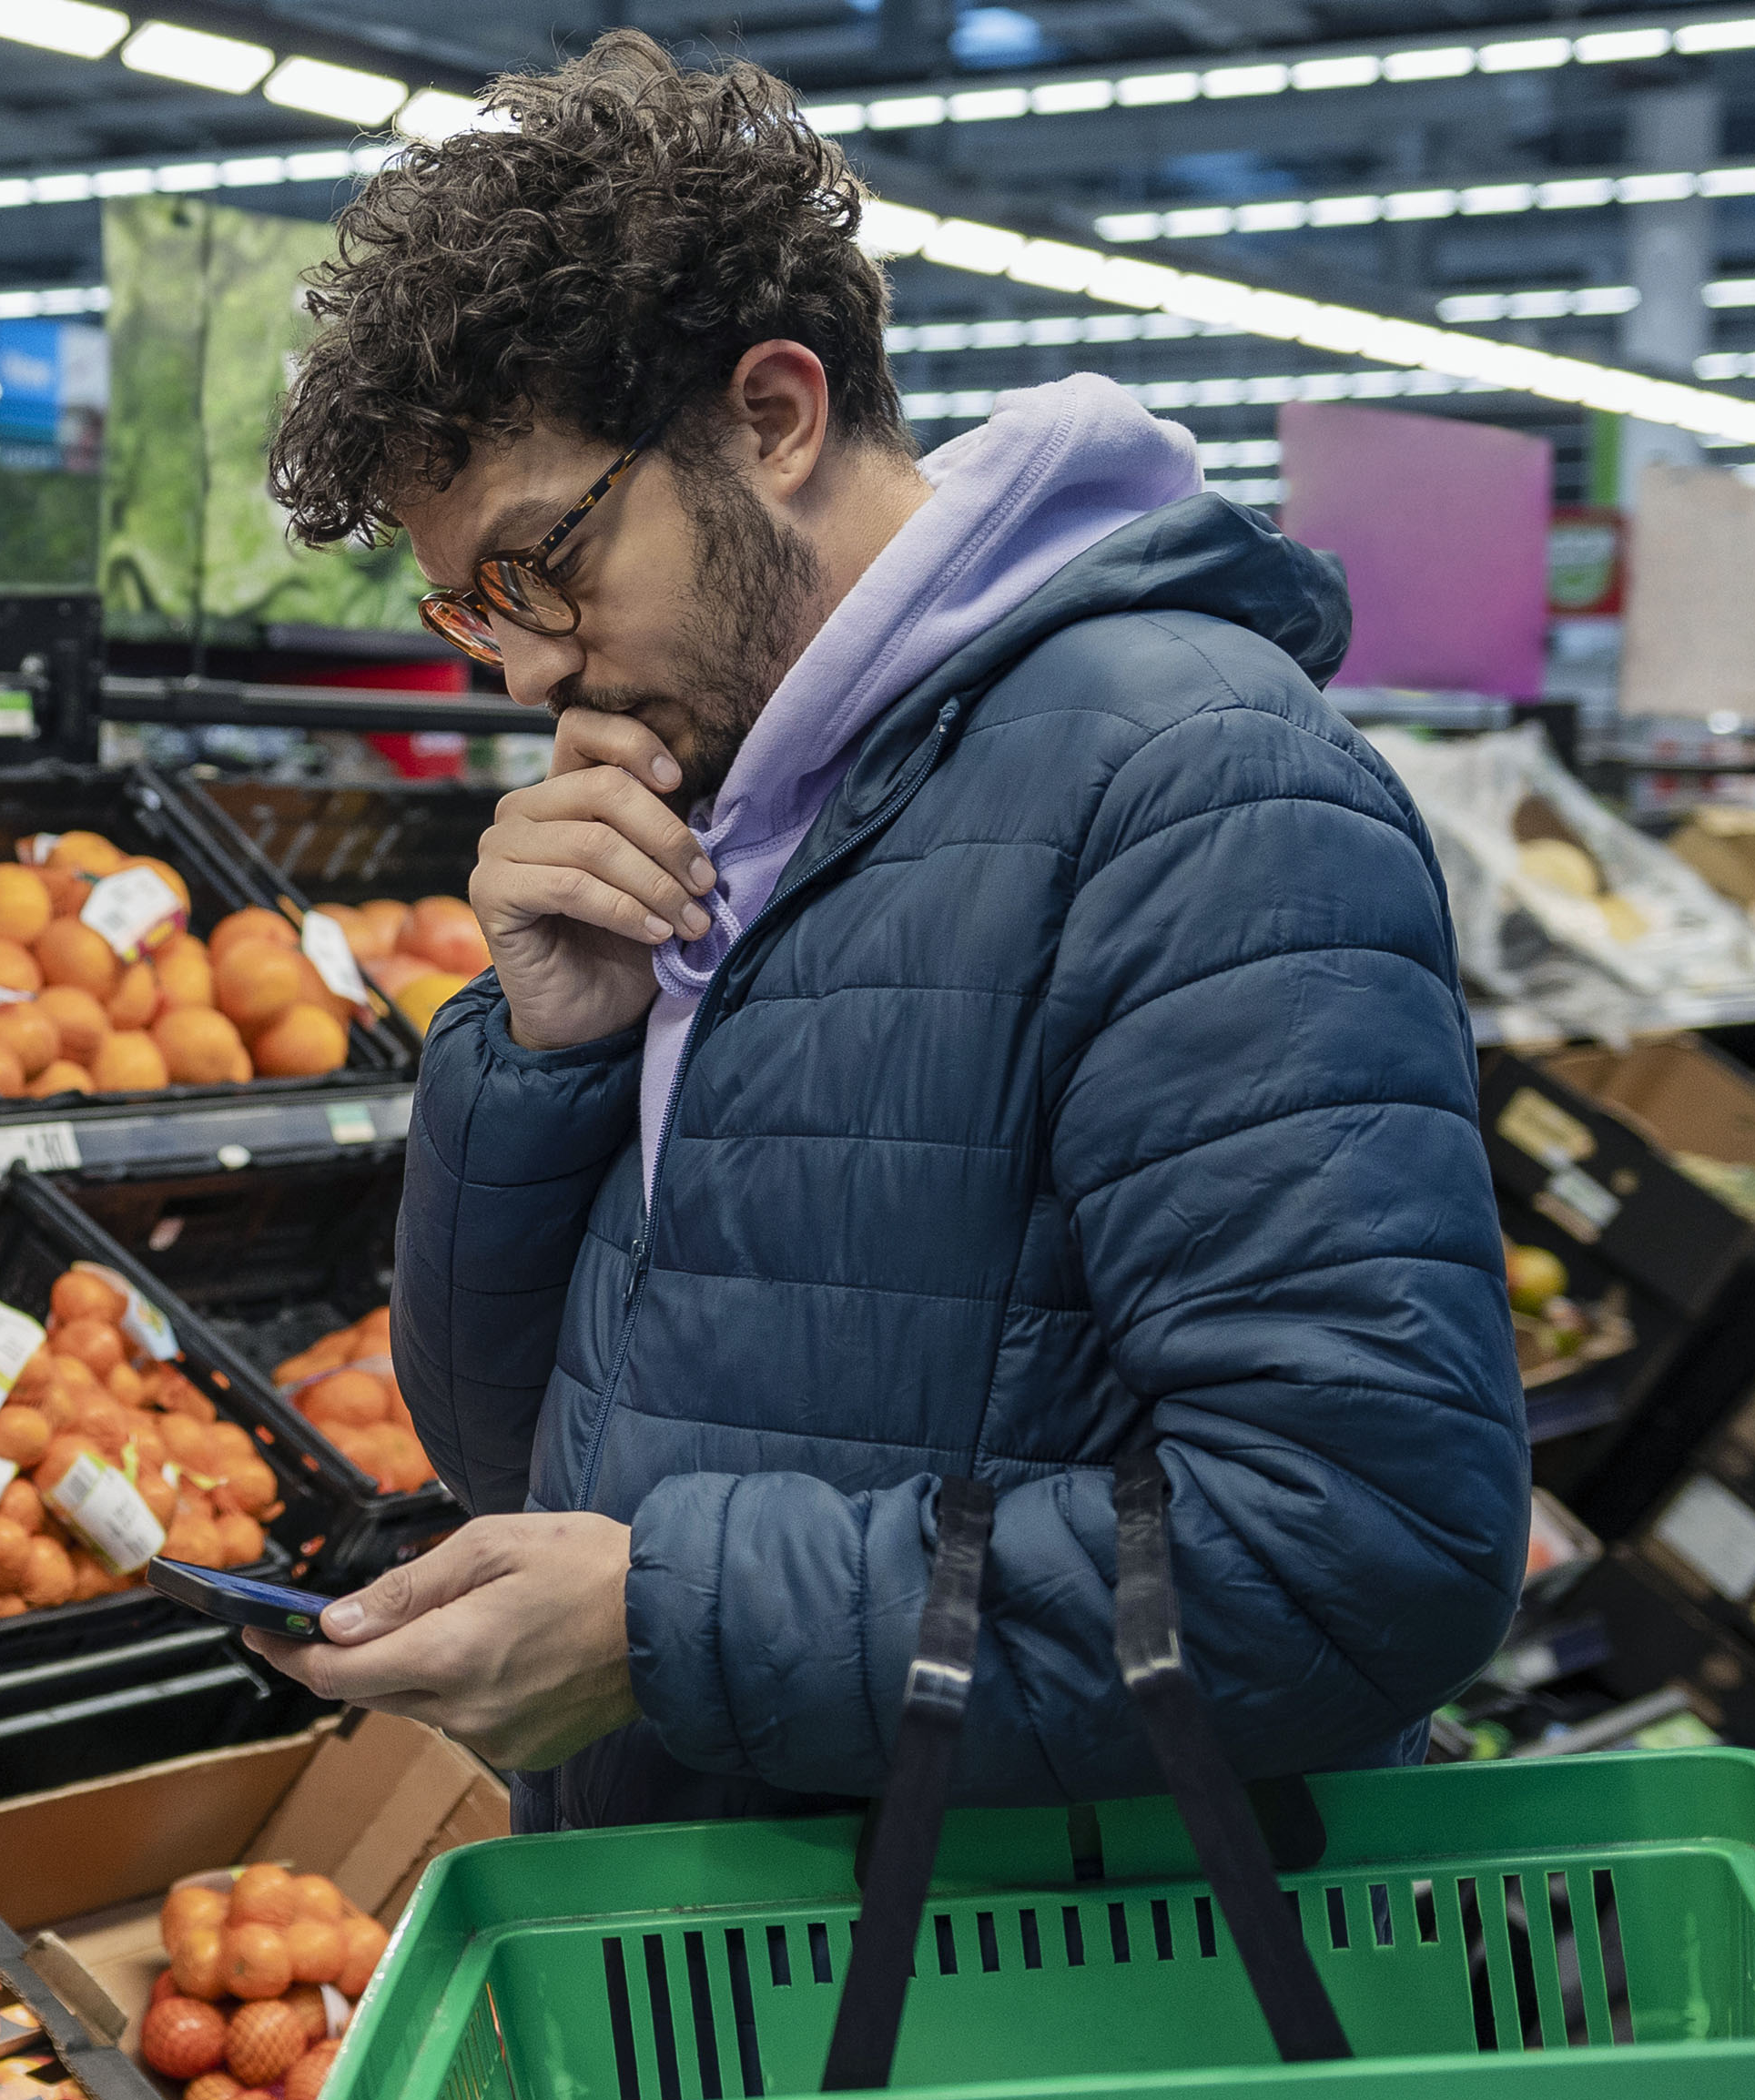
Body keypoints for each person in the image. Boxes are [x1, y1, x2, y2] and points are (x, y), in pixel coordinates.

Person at [249, 32, 1527, 1830]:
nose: (524, 666)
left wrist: (665, 1621)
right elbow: (514, 1443)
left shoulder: (1193, 787)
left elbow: (1365, 1548)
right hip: (753, 2005)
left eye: (547, 567)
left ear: (772, 417)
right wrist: (545, 1056)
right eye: (474, 608)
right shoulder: (727, 809)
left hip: (1030, 2041)